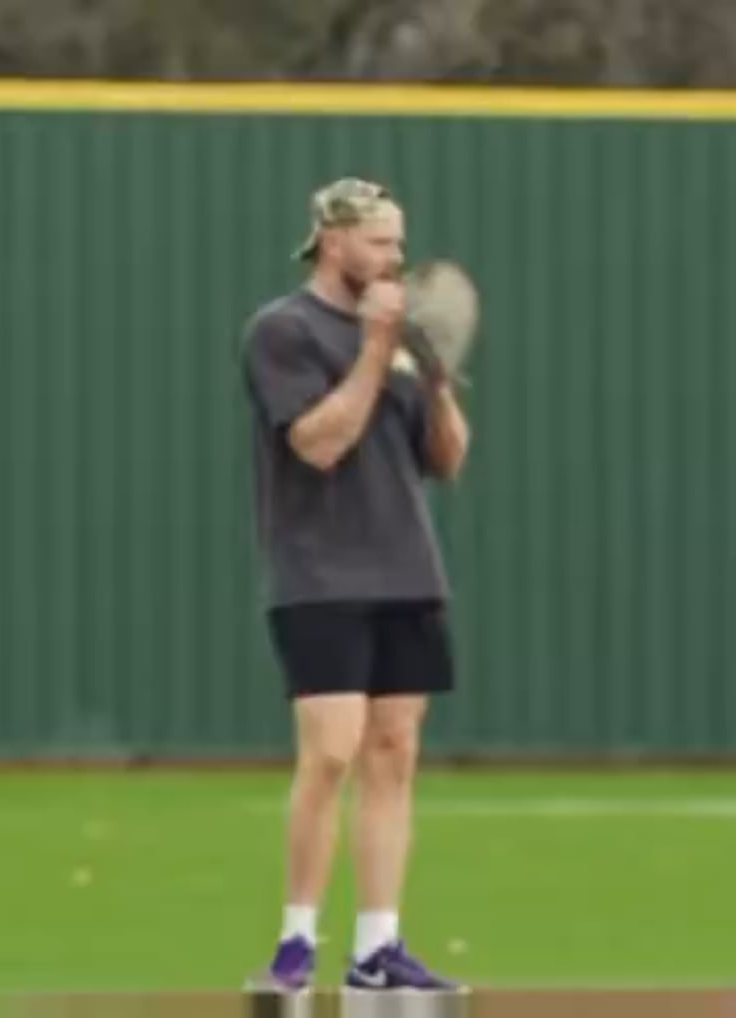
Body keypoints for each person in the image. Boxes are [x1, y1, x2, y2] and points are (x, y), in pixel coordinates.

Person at [239, 177, 472, 993]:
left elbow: (445, 461)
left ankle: (378, 947)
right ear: (333, 243)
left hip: (408, 571)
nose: (395, 258)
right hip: (320, 576)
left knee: (394, 754)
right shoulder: (283, 331)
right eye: (380, 242)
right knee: (331, 754)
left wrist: (437, 380)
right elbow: (318, 444)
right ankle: (296, 941)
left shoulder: (405, 341)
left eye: (400, 243)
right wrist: (377, 351)